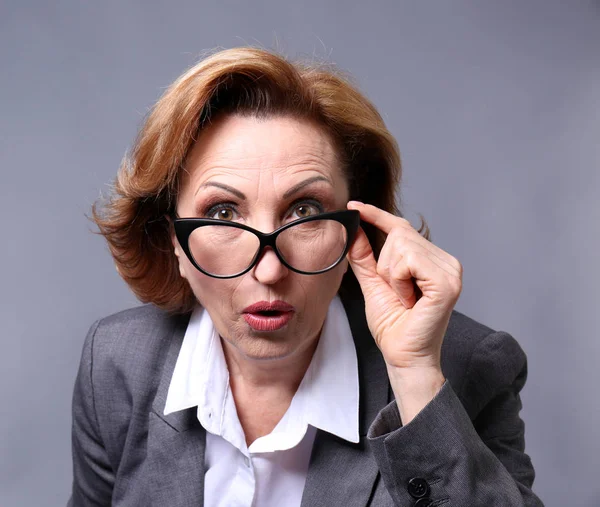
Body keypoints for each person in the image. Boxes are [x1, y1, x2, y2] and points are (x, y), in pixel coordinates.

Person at [68, 47, 543, 506]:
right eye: (224, 213)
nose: (270, 271)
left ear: (358, 229)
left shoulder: (468, 367)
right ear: (172, 237)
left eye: (305, 210)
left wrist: (415, 376)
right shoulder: (115, 366)